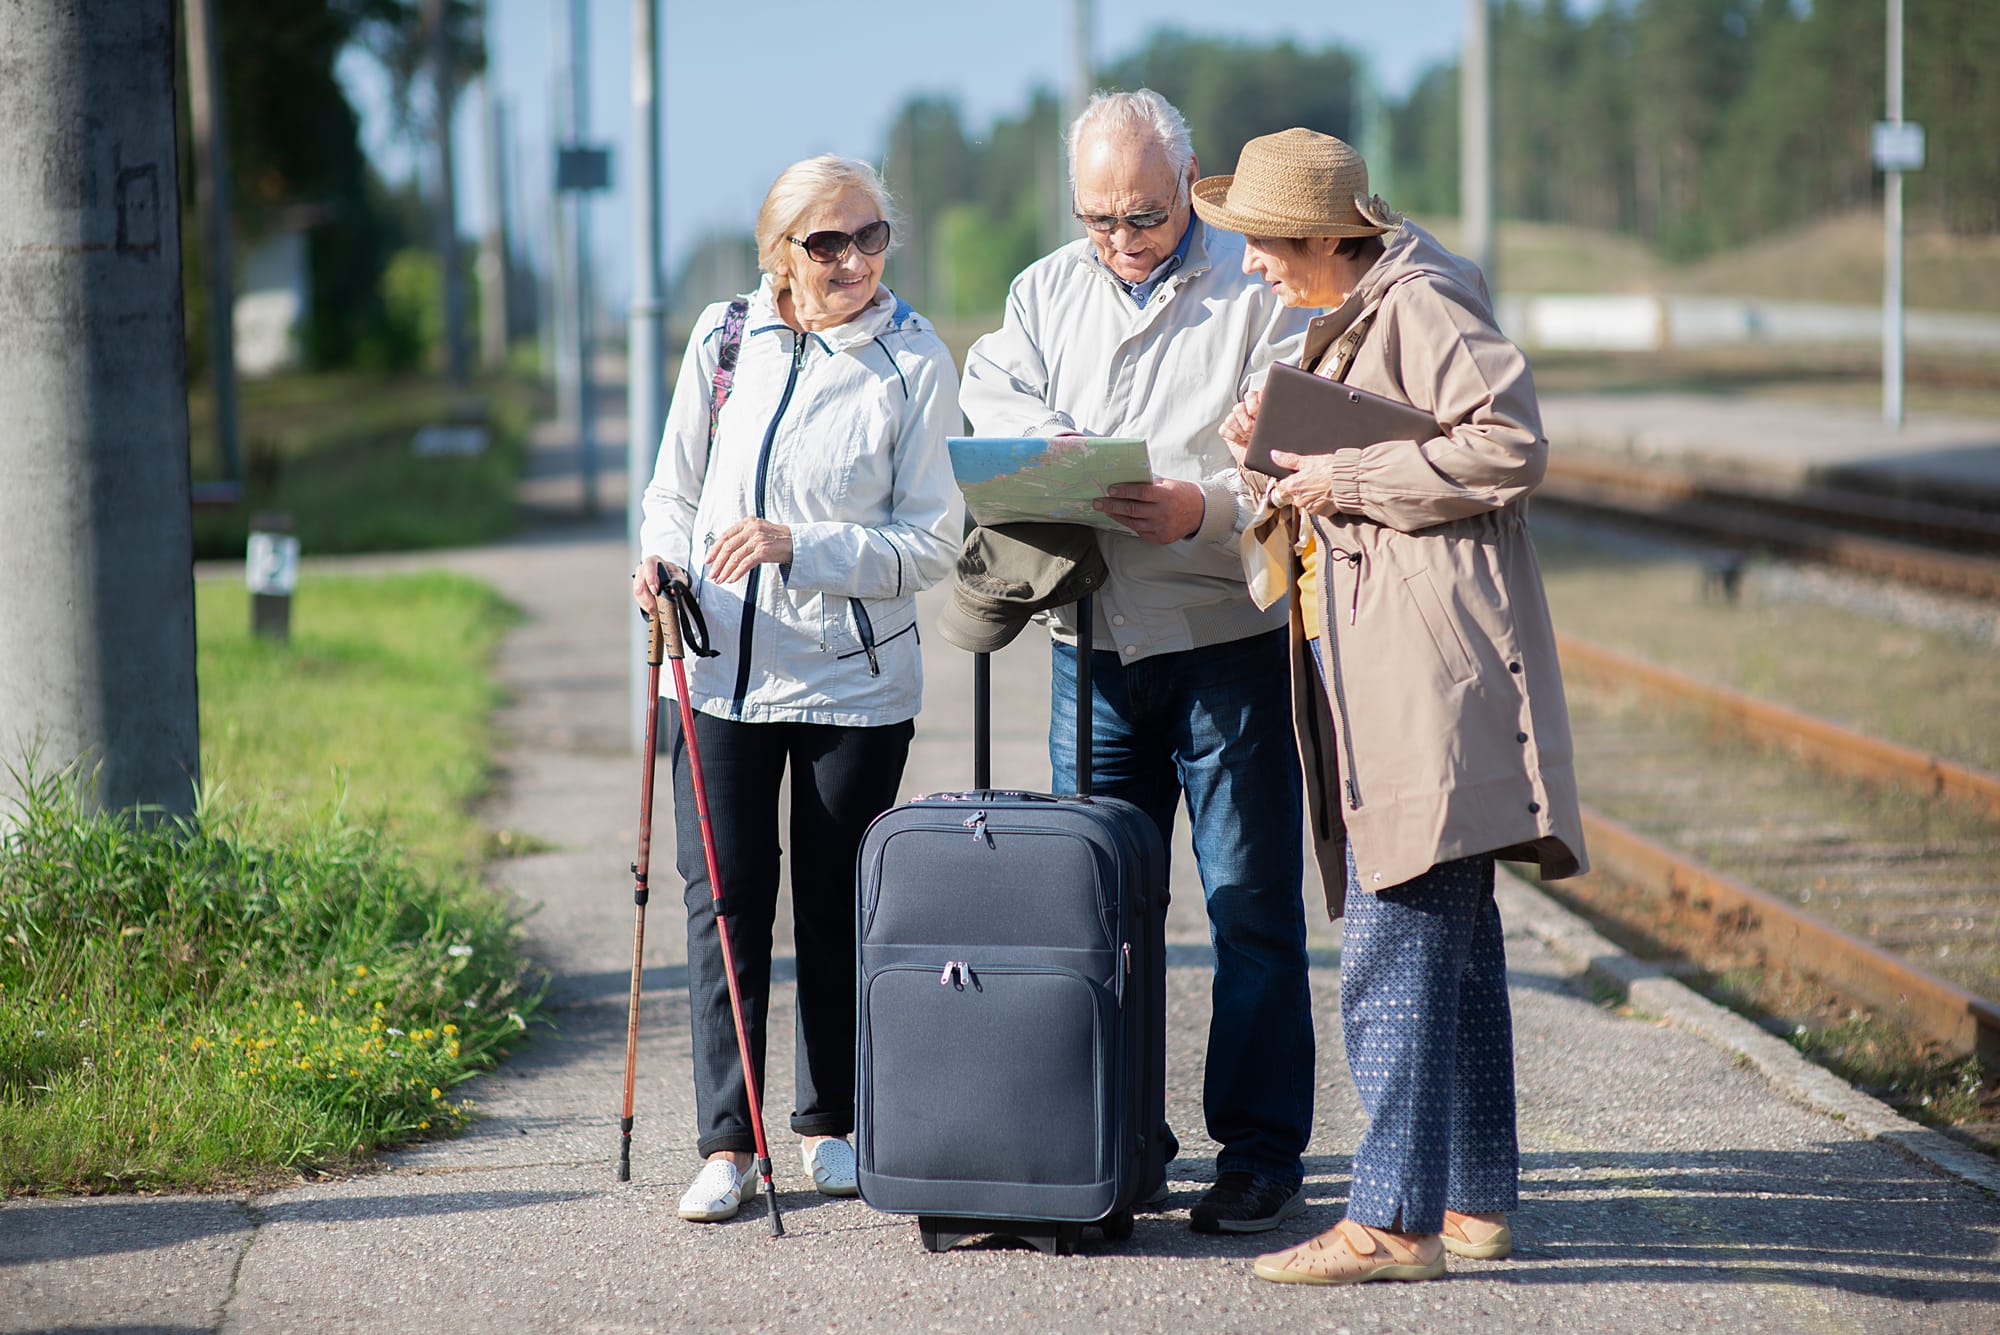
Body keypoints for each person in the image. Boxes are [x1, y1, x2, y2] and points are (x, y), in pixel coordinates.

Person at [1196, 127, 1589, 1284]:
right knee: (1452, 951)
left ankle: (1391, 1221)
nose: (1254, 265)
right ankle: (1469, 1201)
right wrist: (1271, 457)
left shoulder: (1417, 305)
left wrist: (1343, 477)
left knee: (1390, 944)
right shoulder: (1360, 309)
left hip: (1423, 676)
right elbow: (1368, 456)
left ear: (1325, 236)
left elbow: (1508, 443)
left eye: (1264, 245)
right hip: (1398, 663)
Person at [961, 89, 1316, 1234]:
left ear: (1190, 183)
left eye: (1146, 218)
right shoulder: (1042, 289)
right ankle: (1118, 1148)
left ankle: (1258, 1156)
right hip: (1090, 648)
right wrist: (1043, 452)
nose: (1119, 241)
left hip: (1224, 646)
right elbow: (989, 390)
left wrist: (1198, 507)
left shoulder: (1257, 287)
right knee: (1098, 915)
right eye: (1098, 218)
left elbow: (1300, 448)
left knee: (1249, 907)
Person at [632, 155, 959, 1223]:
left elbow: (931, 542)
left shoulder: (911, 359)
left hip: (853, 681)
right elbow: (673, 489)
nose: (854, 260)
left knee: (834, 908)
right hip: (715, 671)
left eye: (870, 237)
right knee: (723, 905)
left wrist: (798, 545)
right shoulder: (725, 339)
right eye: (828, 243)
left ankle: (830, 1127)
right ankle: (728, 1144)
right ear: (781, 253)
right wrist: (657, 563)